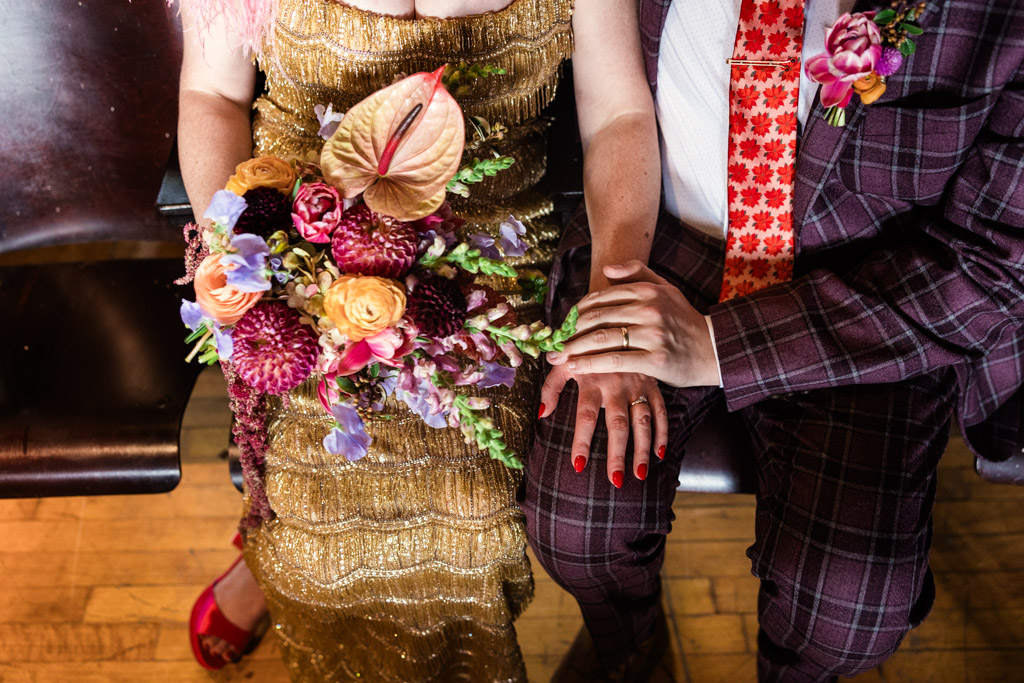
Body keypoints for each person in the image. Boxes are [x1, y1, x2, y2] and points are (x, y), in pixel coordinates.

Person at [524, 0, 1024, 681]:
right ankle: (633, 655)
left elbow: (990, 266)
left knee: (848, 605)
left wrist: (718, 348)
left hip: (865, 287)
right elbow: (618, 105)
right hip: (666, 235)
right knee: (576, 524)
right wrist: (618, 294)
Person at [177, 0, 659, 679]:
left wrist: (615, 288)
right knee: (310, 507)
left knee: (476, 517)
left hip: (486, 252)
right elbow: (212, 92)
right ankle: (266, 544)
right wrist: (232, 248)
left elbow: (619, 114)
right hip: (301, 234)